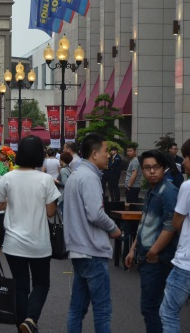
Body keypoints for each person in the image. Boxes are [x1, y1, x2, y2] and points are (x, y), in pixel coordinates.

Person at [0, 136, 60, 333]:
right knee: (41, 283)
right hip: (39, 242)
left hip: (13, 243)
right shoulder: (46, 180)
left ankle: (23, 325)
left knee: (21, 286)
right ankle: (31, 320)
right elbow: (50, 212)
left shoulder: (8, 178)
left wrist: (11, 202)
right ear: (40, 155)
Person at [64, 133, 122, 333]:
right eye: (105, 151)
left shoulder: (76, 175)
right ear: (95, 153)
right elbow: (96, 214)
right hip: (93, 251)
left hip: (79, 250)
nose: (109, 155)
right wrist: (114, 228)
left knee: (77, 309)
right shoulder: (89, 177)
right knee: (102, 310)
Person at [124, 150, 179, 332]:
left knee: (151, 308)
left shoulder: (168, 192)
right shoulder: (152, 191)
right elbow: (144, 223)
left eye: (156, 167)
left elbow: (171, 226)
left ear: (164, 168)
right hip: (146, 255)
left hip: (157, 259)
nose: (152, 171)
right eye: (147, 168)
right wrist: (133, 249)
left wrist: (153, 251)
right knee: (151, 307)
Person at [159, 138, 190, 332]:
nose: (183, 161)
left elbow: (176, 222)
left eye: (186, 157)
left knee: (168, 312)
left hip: (186, 263)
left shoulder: (187, 187)